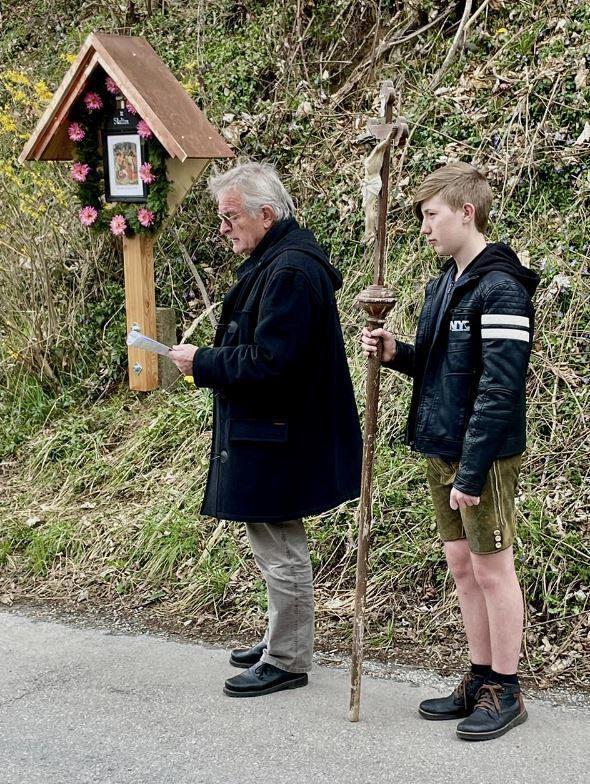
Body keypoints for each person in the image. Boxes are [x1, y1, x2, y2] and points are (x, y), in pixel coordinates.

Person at [170, 160, 362, 698]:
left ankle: (288, 658)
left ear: (267, 215)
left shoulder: (290, 271)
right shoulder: (279, 262)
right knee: (272, 542)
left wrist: (204, 361)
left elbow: (274, 362)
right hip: (271, 429)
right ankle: (283, 638)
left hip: (280, 432)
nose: (223, 228)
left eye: (230, 217)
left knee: (280, 546)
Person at [361, 162, 539, 740]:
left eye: (431, 215)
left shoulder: (503, 287)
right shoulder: (444, 284)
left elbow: (501, 388)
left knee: (492, 568)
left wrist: (472, 469)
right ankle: (479, 675)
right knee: (462, 566)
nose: (424, 228)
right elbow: (441, 368)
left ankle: (506, 690)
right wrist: (397, 352)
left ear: (466, 212)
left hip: (482, 454)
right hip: (442, 445)